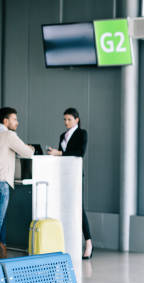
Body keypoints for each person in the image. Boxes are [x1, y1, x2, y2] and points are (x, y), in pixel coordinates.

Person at [0, 107, 34, 260]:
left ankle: (0, 252)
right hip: (0, 184)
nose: (17, 122)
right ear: (5, 121)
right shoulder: (8, 135)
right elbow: (28, 153)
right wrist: (30, 147)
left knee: (0, 219)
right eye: (14, 119)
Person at [47, 107, 93, 259]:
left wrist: (59, 153)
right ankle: (68, 242)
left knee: (79, 208)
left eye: (69, 120)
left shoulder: (82, 133)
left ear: (77, 120)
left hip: (75, 175)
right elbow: (63, 155)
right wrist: (56, 153)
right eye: (65, 120)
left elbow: (80, 152)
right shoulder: (63, 135)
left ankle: (88, 243)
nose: (66, 122)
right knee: (65, 207)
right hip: (63, 175)